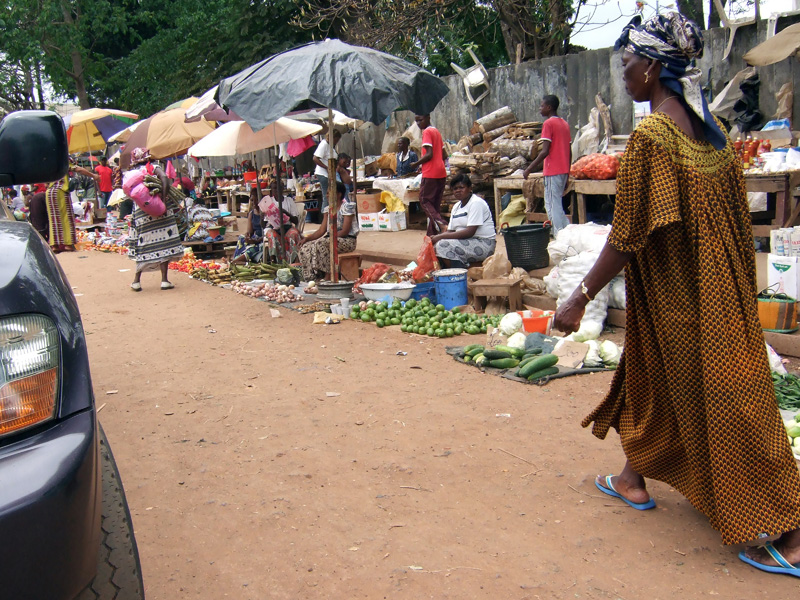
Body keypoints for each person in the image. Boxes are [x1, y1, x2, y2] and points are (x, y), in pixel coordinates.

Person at [552, 12, 800, 576]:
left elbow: (629, 233)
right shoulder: (710, 134)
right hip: (708, 288)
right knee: (649, 375)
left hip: (689, 300)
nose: (623, 73)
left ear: (655, 68)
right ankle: (633, 478)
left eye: (629, 63)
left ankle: (791, 533)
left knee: (733, 400)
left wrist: (579, 296)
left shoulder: (653, 137)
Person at [126, 148, 183, 291]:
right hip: (160, 211)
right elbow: (164, 178)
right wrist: (162, 199)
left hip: (141, 213)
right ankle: (164, 280)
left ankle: (136, 281)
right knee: (164, 242)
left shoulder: (131, 174)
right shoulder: (152, 168)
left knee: (143, 244)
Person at [523, 95, 571, 235]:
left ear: (549, 107)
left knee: (551, 205)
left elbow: (544, 151)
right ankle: (566, 232)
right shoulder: (565, 124)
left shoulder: (548, 124)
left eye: (542, 106)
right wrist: (568, 172)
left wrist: (529, 169)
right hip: (563, 171)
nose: (540, 108)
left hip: (552, 171)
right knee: (557, 204)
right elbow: (569, 150)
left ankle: (558, 234)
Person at [430, 173, 496, 268]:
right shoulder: (456, 207)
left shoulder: (476, 203)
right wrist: (437, 237)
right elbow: (450, 231)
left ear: (469, 188)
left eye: (461, 187)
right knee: (437, 245)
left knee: (443, 245)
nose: (458, 191)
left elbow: (470, 232)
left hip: (483, 243)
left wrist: (441, 237)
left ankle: (459, 274)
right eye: (455, 189)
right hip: (465, 242)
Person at [297, 181, 357, 281]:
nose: (327, 195)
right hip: (331, 238)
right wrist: (306, 239)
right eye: (327, 192)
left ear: (339, 194)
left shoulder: (347, 207)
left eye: (329, 192)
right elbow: (321, 230)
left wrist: (330, 237)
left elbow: (345, 231)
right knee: (306, 247)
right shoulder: (327, 209)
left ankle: (328, 275)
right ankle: (312, 277)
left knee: (321, 243)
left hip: (346, 241)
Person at [45, 162, 97, 252]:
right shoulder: (63, 159)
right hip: (60, 190)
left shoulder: (48, 161)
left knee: (53, 219)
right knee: (67, 217)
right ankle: (68, 244)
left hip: (49, 192)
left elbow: (45, 182)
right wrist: (93, 175)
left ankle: (55, 246)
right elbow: (78, 169)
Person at [411, 114, 448, 236]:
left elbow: (429, 154)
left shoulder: (427, 132)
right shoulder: (436, 131)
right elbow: (444, 155)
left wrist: (416, 163)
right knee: (434, 206)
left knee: (424, 200)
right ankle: (432, 236)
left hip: (431, 173)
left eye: (420, 120)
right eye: (416, 121)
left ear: (428, 118)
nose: (418, 124)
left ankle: (441, 223)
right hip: (441, 172)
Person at [259, 181, 302, 263]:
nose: (277, 190)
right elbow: (263, 225)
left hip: (287, 228)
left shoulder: (289, 201)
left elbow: (296, 221)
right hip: (273, 228)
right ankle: (274, 262)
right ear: (271, 189)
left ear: (283, 189)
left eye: (279, 187)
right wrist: (262, 218)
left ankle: (293, 261)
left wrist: (285, 212)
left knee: (294, 234)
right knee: (272, 236)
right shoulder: (268, 202)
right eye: (275, 188)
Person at [232, 192, 265, 264]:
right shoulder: (251, 213)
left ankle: (234, 262)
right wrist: (248, 237)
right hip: (255, 238)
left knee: (255, 248)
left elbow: (267, 232)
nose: (254, 203)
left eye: (256, 200)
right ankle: (236, 258)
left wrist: (256, 241)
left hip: (263, 239)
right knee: (241, 238)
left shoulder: (265, 213)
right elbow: (250, 232)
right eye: (252, 200)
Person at [313, 129, 341, 211]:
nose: (337, 141)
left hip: (329, 173)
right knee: (327, 196)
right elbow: (315, 158)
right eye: (337, 139)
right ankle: (324, 216)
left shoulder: (330, 146)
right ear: (333, 137)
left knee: (329, 196)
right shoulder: (324, 144)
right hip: (323, 174)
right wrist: (327, 167)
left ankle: (327, 215)